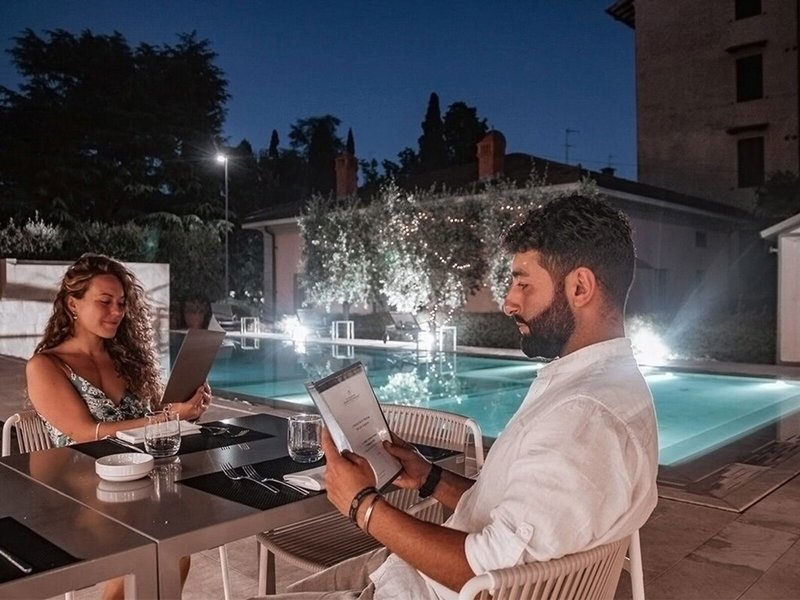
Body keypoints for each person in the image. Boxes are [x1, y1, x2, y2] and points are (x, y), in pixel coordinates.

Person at [255, 194, 659, 600]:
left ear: (580, 287)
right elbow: (514, 524)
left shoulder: (582, 418)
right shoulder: (605, 388)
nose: (509, 302)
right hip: (409, 574)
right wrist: (429, 477)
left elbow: (482, 572)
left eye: (523, 283)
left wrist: (362, 504)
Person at [26, 253, 211, 600]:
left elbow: (147, 417)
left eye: (122, 303)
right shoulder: (46, 365)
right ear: (73, 304)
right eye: (105, 301)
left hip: (139, 475)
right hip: (79, 486)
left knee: (179, 541)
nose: (117, 311)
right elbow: (85, 433)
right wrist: (168, 418)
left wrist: (185, 410)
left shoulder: (126, 359)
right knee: (157, 543)